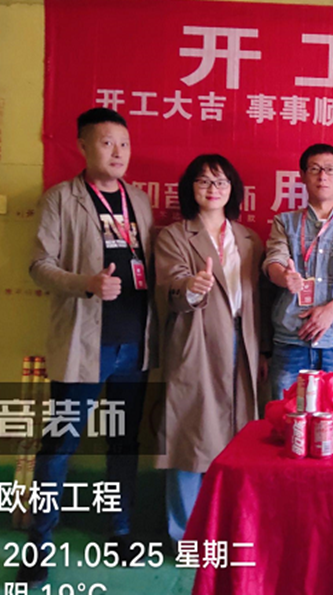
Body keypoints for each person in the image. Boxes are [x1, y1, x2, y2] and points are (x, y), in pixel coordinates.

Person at [21, 108, 156, 587]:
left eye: (124, 143)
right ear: (82, 146)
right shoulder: (61, 198)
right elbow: (39, 265)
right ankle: (38, 543)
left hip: (134, 347)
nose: (117, 152)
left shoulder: (139, 200)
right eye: (106, 142)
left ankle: (120, 532)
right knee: (60, 444)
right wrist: (87, 283)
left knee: (124, 443)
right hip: (85, 344)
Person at [154, 154, 268, 546]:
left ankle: (228, 527)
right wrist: (191, 287)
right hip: (196, 340)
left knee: (237, 436)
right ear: (191, 189)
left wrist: (264, 351)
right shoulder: (173, 236)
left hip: (242, 342)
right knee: (189, 434)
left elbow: (259, 300)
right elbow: (169, 288)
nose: (213, 189)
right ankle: (184, 534)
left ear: (233, 189)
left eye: (221, 181)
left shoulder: (249, 239)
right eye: (203, 181)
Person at [264, 144, 333, 400]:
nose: (322, 176)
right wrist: (284, 277)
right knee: (286, 415)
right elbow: (274, 261)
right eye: (315, 169)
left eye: (330, 170)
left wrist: (331, 310)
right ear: (303, 176)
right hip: (291, 338)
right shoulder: (285, 222)